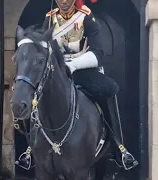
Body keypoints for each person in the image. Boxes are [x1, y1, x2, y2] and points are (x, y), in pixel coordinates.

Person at [16, 0, 138, 173]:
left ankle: (118, 146)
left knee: (109, 90)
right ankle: (30, 149)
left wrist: (73, 66)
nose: (64, 1)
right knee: (33, 93)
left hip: (82, 69)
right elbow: (42, 46)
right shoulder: (50, 18)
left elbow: (98, 54)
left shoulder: (86, 17)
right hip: (56, 71)